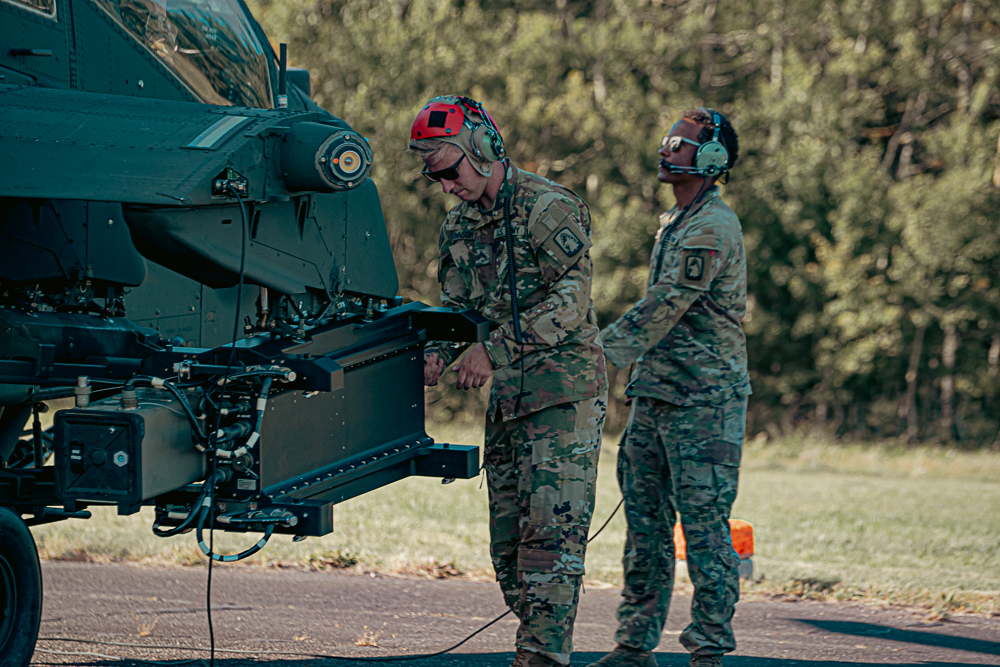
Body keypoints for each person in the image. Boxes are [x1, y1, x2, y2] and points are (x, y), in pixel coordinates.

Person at [409, 95, 608, 667]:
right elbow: (459, 307)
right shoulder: (459, 226)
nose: (444, 185)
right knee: (508, 551)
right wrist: (440, 352)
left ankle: (541, 657)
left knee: (551, 540)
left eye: (449, 170)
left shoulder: (549, 208)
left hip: (563, 397)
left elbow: (572, 303)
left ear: (483, 148)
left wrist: (492, 351)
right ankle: (543, 644)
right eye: (433, 176)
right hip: (510, 402)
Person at [587, 109, 750, 667]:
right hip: (656, 397)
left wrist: (596, 357)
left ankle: (708, 650)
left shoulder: (711, 226)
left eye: (683, 144)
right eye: (669, 141)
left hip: (704, 403)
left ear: (711, 159)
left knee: (704, 531)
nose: (669, 149)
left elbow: (663, 308)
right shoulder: (675, 221)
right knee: (645, 530)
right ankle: (634, 648)